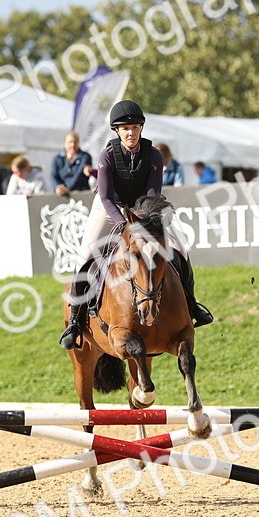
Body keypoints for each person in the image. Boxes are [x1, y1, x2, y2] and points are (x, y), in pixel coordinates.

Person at [59, 100, 213, 349]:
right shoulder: (107, 155)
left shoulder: (153, 155)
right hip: (110, 209)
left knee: (181, 248)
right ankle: (75, 322)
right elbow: (107, 197)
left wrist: (141, 222)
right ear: (116, 131)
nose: (130, 132)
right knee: (85, 255)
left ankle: (192, 304)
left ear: (141, 128)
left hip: (143, 210)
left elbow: (152, 194)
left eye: (134, 127)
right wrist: (123, 224)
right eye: (125, 128)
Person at [50, 131, 93, 195]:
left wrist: (68, 189)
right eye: (70, 142)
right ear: (65, 144)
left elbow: (79, 176)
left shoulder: (85, 157)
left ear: (78, 143)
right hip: (62, 195)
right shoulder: (57, 159)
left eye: (75, 142)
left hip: (81, 194)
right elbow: (53, 176)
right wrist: (57, 187)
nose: (72, 145)